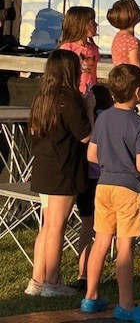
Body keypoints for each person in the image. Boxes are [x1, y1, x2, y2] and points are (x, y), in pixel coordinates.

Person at [80, 64, 140, 322]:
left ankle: (90, 297)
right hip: (129, 189)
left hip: (104, 186)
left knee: (100, 242)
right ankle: (125, 305)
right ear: (137, 91)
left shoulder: (103, 118)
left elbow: (92, 155)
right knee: (125, 248)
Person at [25, 50, 91, 297]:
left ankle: (37, 280)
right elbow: (85, 135)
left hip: (44, 165)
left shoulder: (43, 96)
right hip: (63, 168)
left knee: (47, 225)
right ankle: (52, 282)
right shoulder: (68, 99)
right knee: (56, 226)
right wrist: (91, 108)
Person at [59, 5, 101, 290]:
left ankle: (84, 271)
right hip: (78, 113)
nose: (95, 25)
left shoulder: (93, 47)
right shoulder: (68, 49)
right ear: (79, 24)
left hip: (92, 110)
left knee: (90, 213)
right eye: (91, 21)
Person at [107, 0, 140, 68]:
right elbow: (136, 67)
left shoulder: (118, 37)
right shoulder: (132, 41)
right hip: (132, 78)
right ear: (133, 14)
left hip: (120, 77)